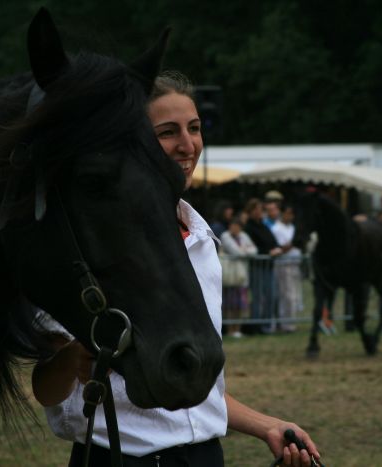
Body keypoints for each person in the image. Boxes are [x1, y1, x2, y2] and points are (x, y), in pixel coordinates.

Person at [32, 71, 320, 467]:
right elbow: (46, 390)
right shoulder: (89, 246)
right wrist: (72, 359)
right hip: (117, 456)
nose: (187, 146)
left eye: (195, 128)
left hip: (204, 457)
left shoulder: (203, 243)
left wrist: (266, 425)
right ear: (131, 142)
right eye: (168, 132)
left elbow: (197, 386)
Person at [243, 198, 284, 334]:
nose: (260, 211)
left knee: (271, 296)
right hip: (257, 267)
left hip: (268, 266)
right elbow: (251, 247)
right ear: (251, 211)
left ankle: (266, 324)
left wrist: (276, 249)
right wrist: (268, 252)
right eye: (257, 209)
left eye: (261, 209)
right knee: (258, 297)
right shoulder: (248, 227)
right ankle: (256, 325)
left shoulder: (264, 225)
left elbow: (273, 241)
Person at [219, 217, 257, 338]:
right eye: (233, 226)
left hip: (241, 276)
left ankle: (237, 330)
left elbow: (254, 250)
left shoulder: (244, 236)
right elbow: (236, 251)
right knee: (230, 305)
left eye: (237, 226)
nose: (235, 228)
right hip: (229, 276)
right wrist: (245, 251)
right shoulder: (225, 236)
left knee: (240, 304)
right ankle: (230, 330)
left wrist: (243, 251)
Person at [271, 204, 303, 332]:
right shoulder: (277, 228)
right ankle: (285, 323)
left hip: (295, 264)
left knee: (294, 295)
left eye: (292, 214)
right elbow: (280, 247)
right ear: (283, 214)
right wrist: (294, 243)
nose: (290, 216)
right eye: (288, 213)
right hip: (283, 265)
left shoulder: (292, 227)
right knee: (286, 295)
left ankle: (291, 321)